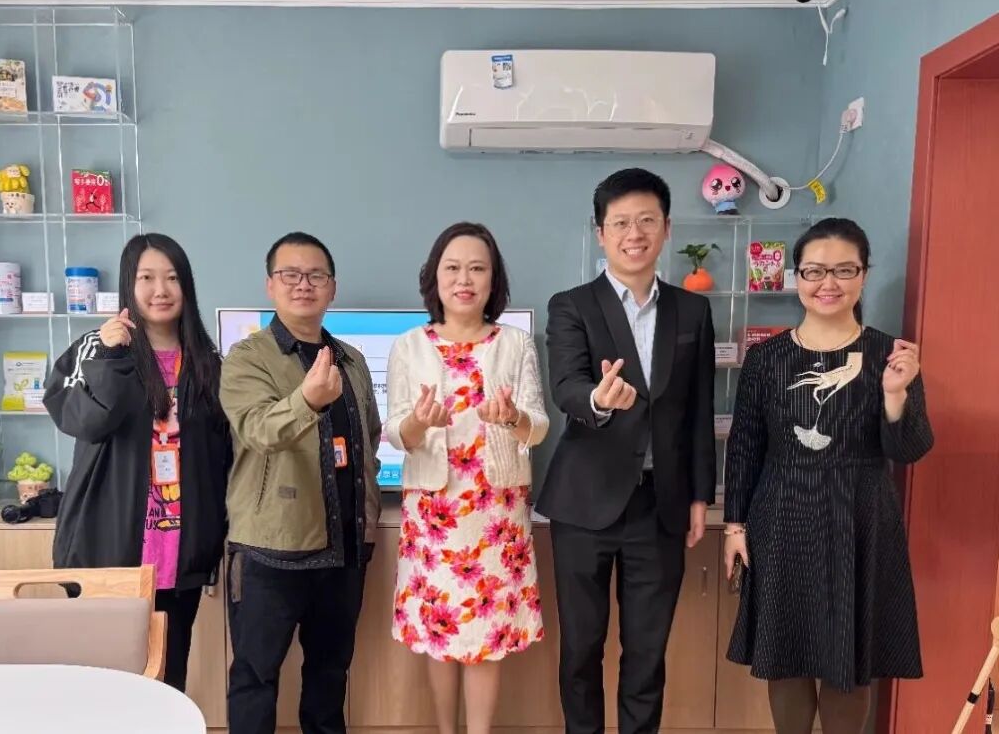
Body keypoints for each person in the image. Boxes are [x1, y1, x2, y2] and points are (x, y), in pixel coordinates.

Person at [723, 218, 933, 734]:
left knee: (851, 657)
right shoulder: (766, 358)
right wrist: (734, 527)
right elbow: (745, 446)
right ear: (797, 276)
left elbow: (909, 450)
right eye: (814, 271)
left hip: (860, 516)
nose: (828, 283)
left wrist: (896, 395)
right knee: (787, 654)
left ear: (864, 275)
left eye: (844, 270)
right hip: (783, 515)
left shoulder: (891, 355)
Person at [537, 168, 716, 734]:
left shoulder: (693, 312)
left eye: (646, 220)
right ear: (601, 233)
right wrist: (598, 399)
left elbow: (699, 408)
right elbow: (566, 385)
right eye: (619, 223)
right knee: (581, 650)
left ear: (666, 228)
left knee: (647, 654)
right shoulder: (571, 305)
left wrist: (700, 496)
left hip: (660, 505)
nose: (633, 233)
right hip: (583, 505)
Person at [43, 232, 231, 692]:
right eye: (147, 278)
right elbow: (82, 421)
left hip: (181, 554)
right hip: (107, 550)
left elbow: (222, 460)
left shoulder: (208, 363)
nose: (160, 290)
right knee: (104, 682)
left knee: (168, 676)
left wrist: (212, 541)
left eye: (172, 278)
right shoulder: (96, 348)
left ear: (187, 286)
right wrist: (112, 357)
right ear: (129, 284)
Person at [387, 222, 549, 734]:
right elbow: (394, 431)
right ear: (434, 277)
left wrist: (512, 418)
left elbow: (538, 426)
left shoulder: (516, 344)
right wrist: (420, 423)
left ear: (493, 280)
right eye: (453, 268)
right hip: (433, 514)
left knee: (485, 637)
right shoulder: (409, 346)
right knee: (440, 633)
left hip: (495, 513)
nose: (464, 279)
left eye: (477, 268)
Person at [220, 232, 381, 734]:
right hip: (270, 551)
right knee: (255, 676)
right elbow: (257, 430)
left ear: (332, 288)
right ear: (271, 285)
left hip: (344, 548)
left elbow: (370, 437)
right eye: (290, 274)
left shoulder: (351, 359)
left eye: (316, 276)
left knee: (330, 676)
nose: (303, 284)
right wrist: (307, 401)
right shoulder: (247, 357)